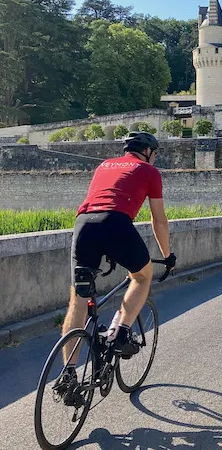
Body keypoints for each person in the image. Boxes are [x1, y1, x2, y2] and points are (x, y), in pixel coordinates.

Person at [61, 131, 176, 367]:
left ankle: (68, 375)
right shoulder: (149, 171)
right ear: (147, 152)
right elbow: (159, 221)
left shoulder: (104, 166)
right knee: (143, 277)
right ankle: (122, 333)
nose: (154, 159)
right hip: (115, 223)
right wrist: (167, 256)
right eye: (154, 154)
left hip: (83, 224)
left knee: (79, 299)